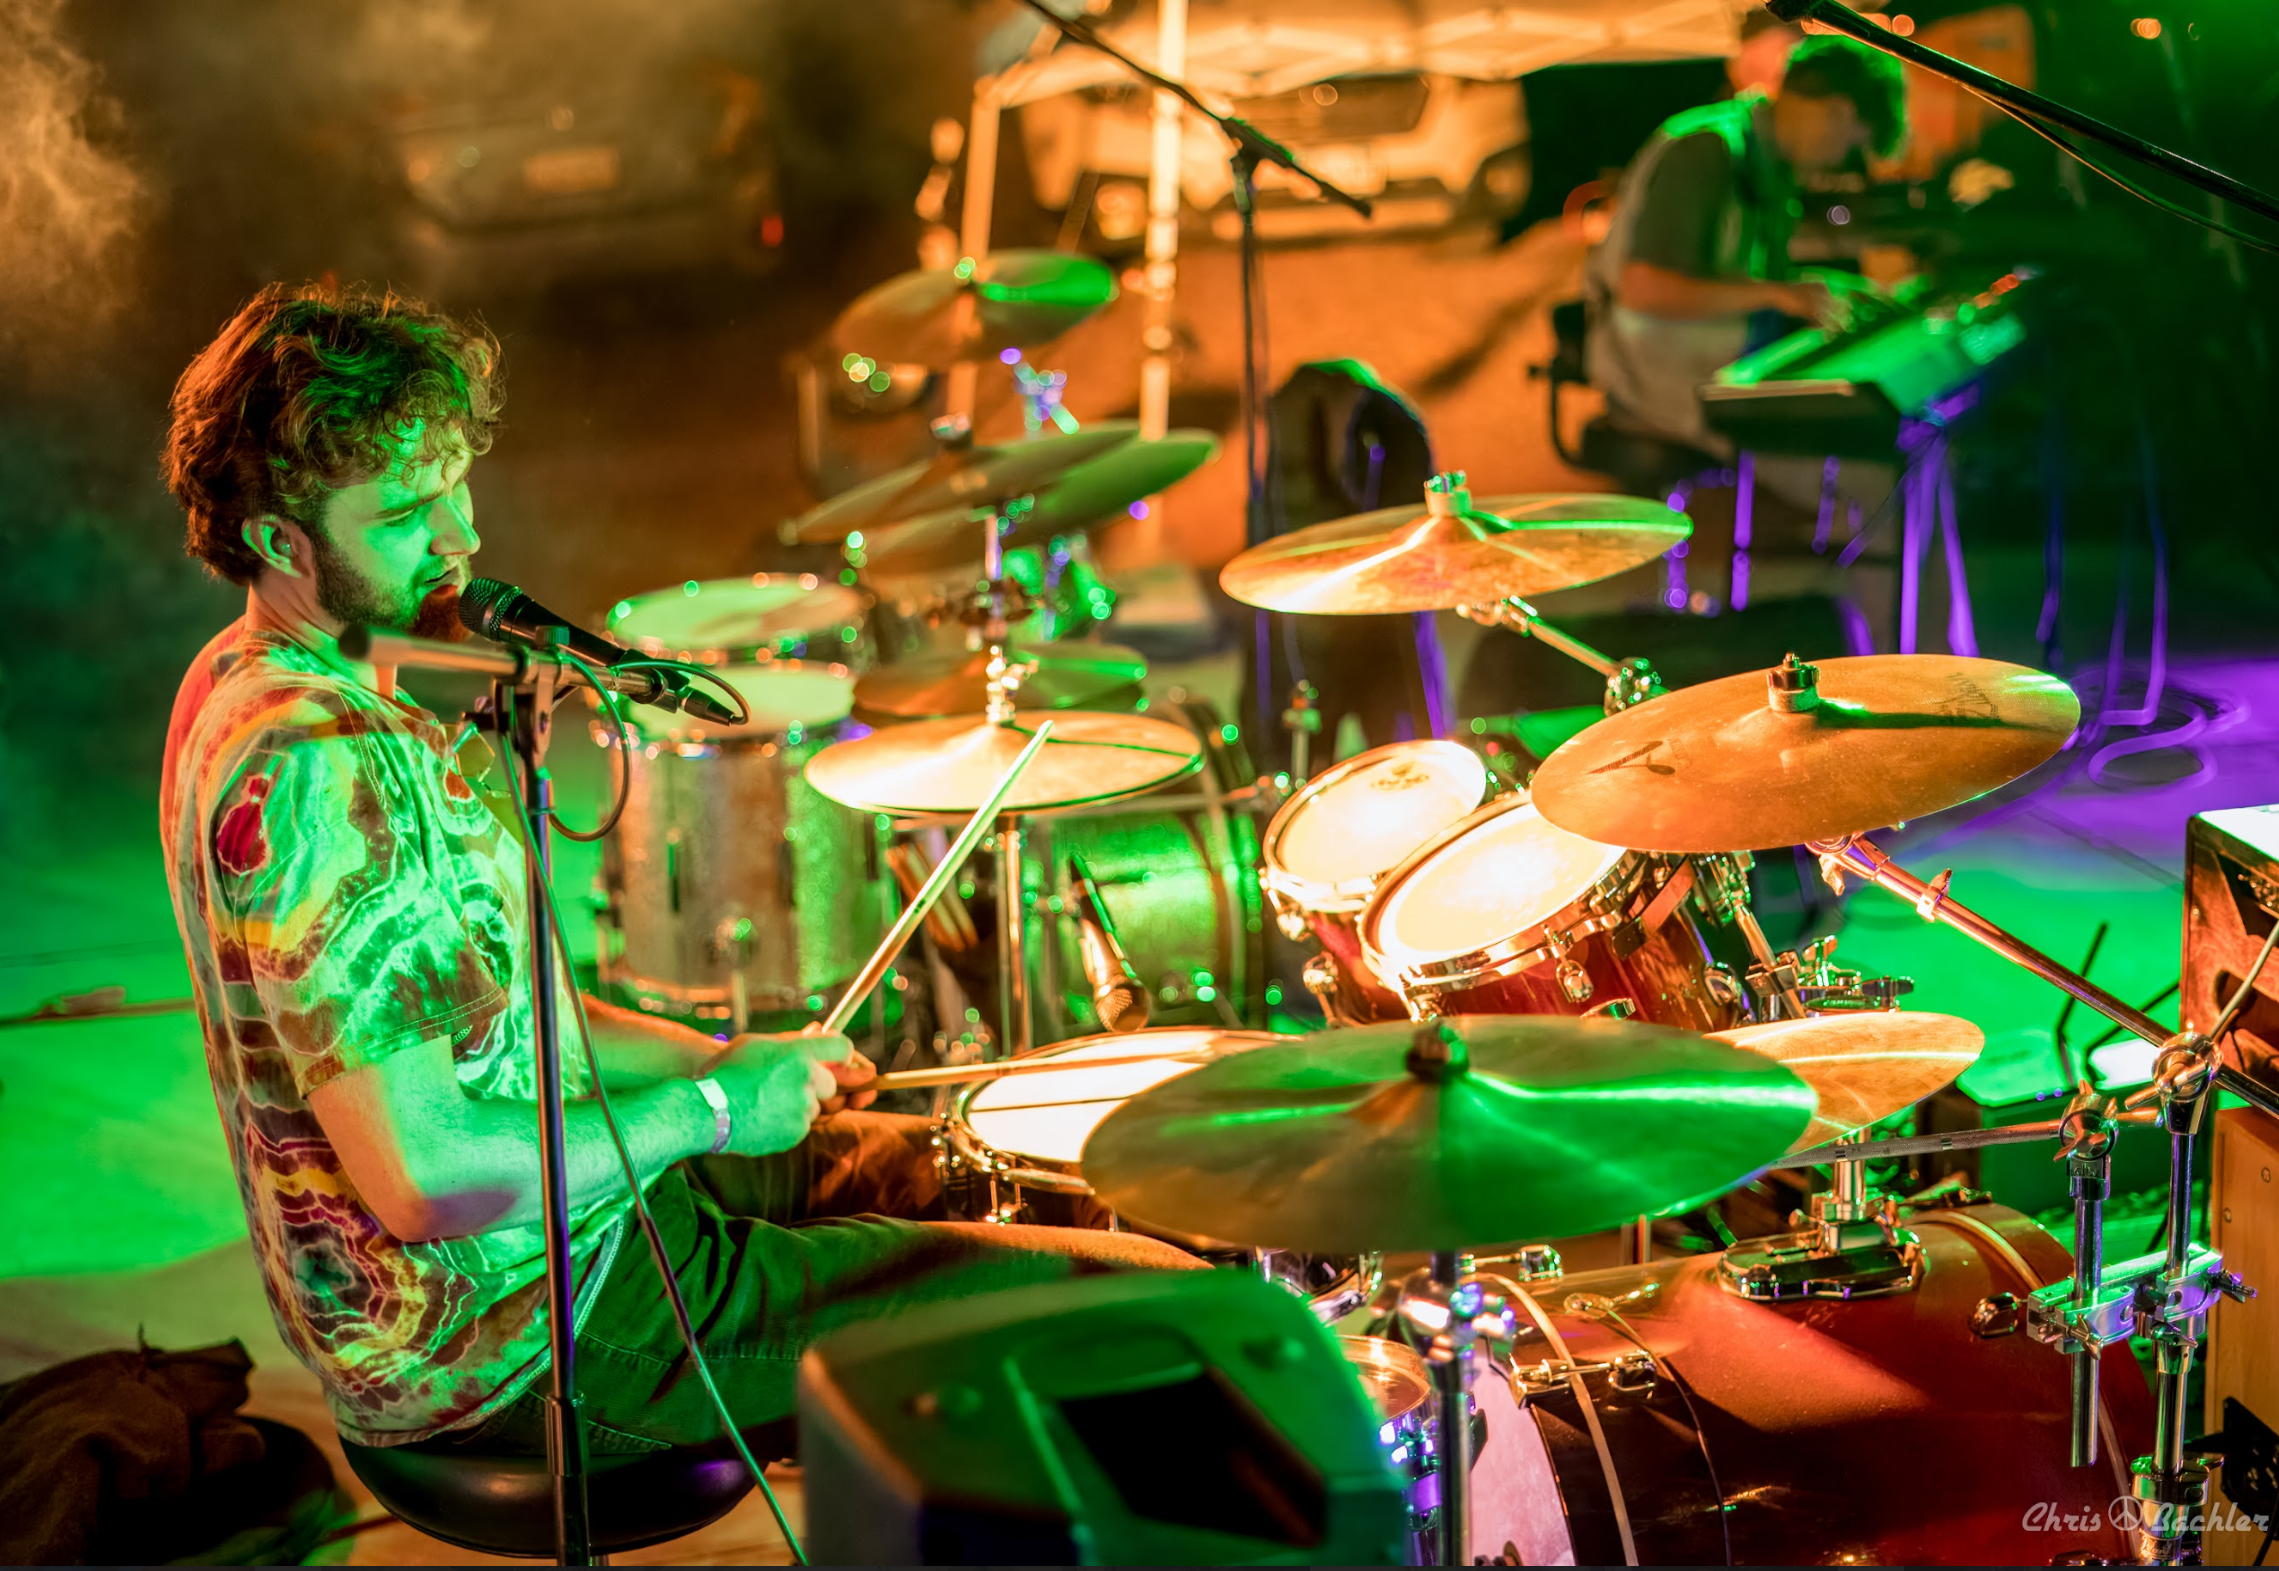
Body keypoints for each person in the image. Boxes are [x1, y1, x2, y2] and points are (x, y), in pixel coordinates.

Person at [158, 282, 1193, 1459]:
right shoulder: (314, 762)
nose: (462, 539)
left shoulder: (250, 674)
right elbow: (428, 1177)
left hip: (558, 1245)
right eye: (405, 513)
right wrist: (710, 1110)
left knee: (938, 1165)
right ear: (276, 539)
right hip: (520, 1334)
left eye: (456, 487)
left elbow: (513, 1032)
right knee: (1151, 1297)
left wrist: (723, 1062)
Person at [1585, 33, 1910, 454]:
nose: (1838, 163)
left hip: (1715, 366)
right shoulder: (1705, 150)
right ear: (1838, 113)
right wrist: (1778, 294)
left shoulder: (1767, 159)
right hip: (1654, 376)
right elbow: (1644, 289)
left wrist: (1819, 286)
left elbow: (1735, 279)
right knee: (1868, 475)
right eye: (1851, 148)